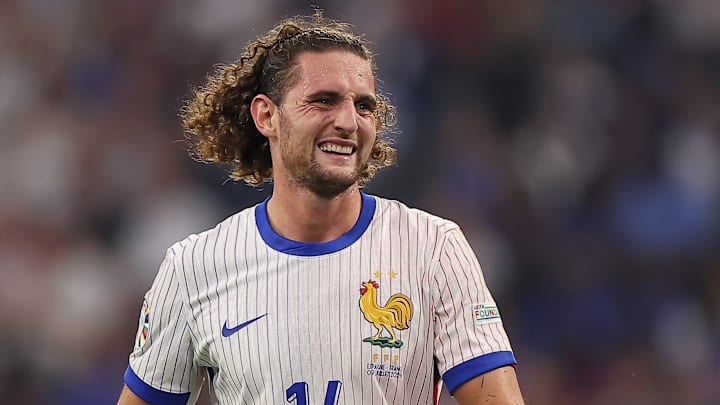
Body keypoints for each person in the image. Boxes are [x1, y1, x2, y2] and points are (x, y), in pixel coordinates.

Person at [117, 10, 524, 405]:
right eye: (324, 100)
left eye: (364, 106)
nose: (349, 121)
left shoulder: (434, 248)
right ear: (267, 116)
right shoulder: (193, 268)